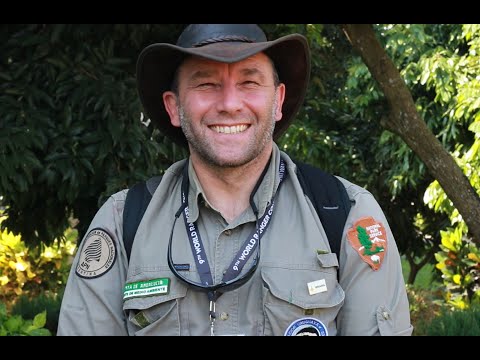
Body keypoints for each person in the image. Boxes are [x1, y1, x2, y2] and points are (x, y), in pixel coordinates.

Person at [57, 24, 413, 336]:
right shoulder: (122, 223)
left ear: (278, 101)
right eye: (207, 84)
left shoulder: (346, 215)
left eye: (249, 82)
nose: (229, 103)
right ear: (173, 107)